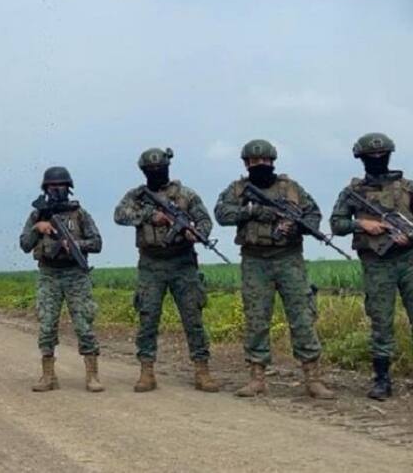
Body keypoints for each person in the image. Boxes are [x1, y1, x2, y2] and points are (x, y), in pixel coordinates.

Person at [214, 140, 334, 399]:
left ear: (272, 161)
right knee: (256, 319)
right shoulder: (237, 190)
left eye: (264, 161)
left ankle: (313, 378)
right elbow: (222, 214)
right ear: (246, 164)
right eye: (253, 162)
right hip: (255, 260)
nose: (259, 165)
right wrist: (254, 212)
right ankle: (257, 378)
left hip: (289, 259)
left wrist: (297, 225)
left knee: (302, 316)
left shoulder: (291, 188)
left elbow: (313, 214)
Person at [114, 148, 219, 392]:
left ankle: (202, 370)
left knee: (193, 318)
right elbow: (119, 215)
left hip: (183, 263)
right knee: (148, 317)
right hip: (151, 264)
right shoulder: (137, 196)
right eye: (149, 170)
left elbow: (204, 221)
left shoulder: (185, 195)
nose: (155, 173)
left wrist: (194, 233)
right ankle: (146, 371)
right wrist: (151, 216)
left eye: (158, 169)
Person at [329, 133, 413, 401]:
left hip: (408, 260)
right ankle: (382, 379)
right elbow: (336, 224)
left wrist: (408, 236)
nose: (377, 159)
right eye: (371, 156)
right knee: (380, 320)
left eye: (381, 155)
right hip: (377, 264)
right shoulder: (353, 193)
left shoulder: (408, 188)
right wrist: (362, 225)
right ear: (361, 159)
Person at [19, 167, 104, 393]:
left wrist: (76, 245)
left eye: (61, 186)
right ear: (45, 189)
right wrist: (39, 228)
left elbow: (96, 242)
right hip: (49, 274)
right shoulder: (37, 216)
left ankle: (92, 375)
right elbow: (25, 244)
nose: (57, 190)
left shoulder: (80, 214)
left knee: (84, 325)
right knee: (46, 325)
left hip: (76, 275)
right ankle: (48, 376)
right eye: (52, 187)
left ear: (69, 188)